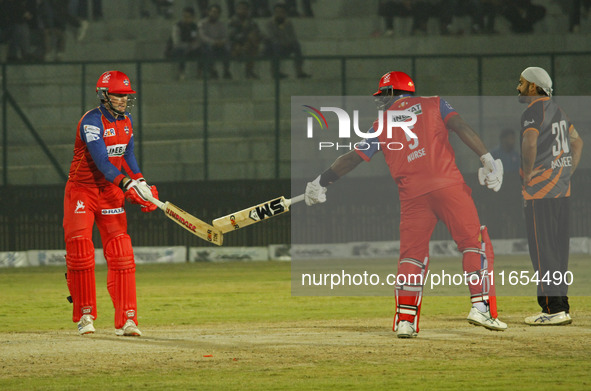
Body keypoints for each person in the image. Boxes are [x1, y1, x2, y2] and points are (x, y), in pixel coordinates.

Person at [304, 71, 507, 338]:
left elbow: (353, 157)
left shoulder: (381, 124)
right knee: (473, 243)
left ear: (392, 93)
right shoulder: (435, 103)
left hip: (413, 196)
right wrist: (487, 159)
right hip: (448, 186)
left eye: (383, 94)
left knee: (411, 257)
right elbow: (460, 126)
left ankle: (405, 321)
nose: (380, 101)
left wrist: (323, 180)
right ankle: (480, 307)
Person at [63, 70, 159, 336]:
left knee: (122, 253)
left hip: (111, 191)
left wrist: (141, 182)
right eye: (118, 95)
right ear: (104, 95)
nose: (123, 100)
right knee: (81, 252)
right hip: (82, 191)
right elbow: (102, 162)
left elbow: (127, 153)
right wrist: (127, 184)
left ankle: (127, 319)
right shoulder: (91, 122)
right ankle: (85, 315)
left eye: (126, 96)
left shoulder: (126, 121)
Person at [516, 67, 583, 325]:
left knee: (543, 252)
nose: (518, 87)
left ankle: (551, 308)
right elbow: (577, 142)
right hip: (561, 192)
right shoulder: (559, 111)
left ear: (533, 87)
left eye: (522, 83)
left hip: (540, 194)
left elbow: (530, 142)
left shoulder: (532, 111)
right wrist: (566, 173)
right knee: (558, 251)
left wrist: (528, 175)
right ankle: (561, 306)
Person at [263, 2, 310, 79]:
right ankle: (275, 71)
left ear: (285, 13)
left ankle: (299, 71)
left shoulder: (288, 23)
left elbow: (292, 36)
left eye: (281, 12)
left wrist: (287, 40)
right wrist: (282, 41)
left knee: (296, 45)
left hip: (285, 45)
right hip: (271, 47)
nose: (279, 14)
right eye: (277, 12)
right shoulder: (269, 23)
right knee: (275, 45)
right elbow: (271, 37)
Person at [166, 6, 203, 80]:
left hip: (190, 49)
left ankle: (200, 72)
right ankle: (181, 72)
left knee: (201, 50)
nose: (186, 19)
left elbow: (195, 40)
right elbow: (176, 42)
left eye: (188, 17)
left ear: (193, 17)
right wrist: (187, 46)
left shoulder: (194, 27)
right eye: (184, 16)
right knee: (181, 51)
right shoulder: (177, 26)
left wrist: (191, 46)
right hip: (176, 49)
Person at [229, 0, 261, 79]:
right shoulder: (232, 21)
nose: (242, 11)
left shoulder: (251, 21)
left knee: (253, 45)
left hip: (249, 44)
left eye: (244, 9)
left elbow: (257, 32)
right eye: (240, 8)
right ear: (236, 10)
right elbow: (232, 35)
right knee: (243, 44)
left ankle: (249, 71)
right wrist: (246, 35)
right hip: (235, 44)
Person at [199, 4, 232, 79]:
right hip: (207, 45)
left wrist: (221, 42)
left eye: (217, 12)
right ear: (208, 12)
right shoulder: (202, 23)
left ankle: (226, 71)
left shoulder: (220, 24)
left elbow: (225, 36)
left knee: (227, 49)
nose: (214, 14)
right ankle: (212, 70)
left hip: (219, 45)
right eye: (213, 12)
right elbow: (202, 37)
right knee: (207, 48)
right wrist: (214, 42)